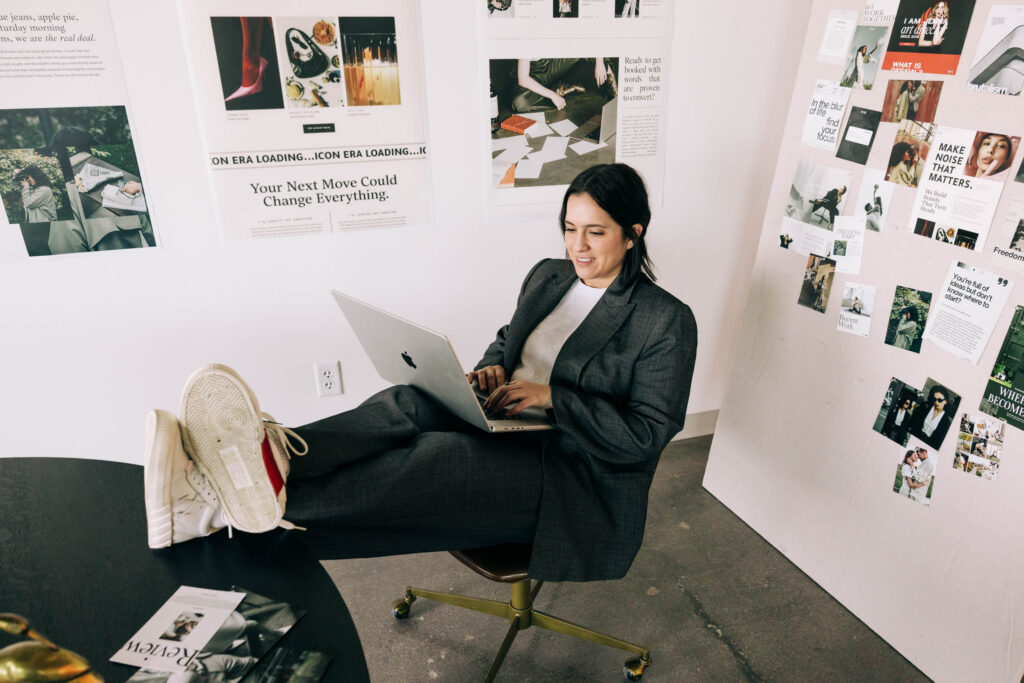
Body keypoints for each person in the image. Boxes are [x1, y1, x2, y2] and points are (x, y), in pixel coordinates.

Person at [142, 163, 698, 583]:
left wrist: (552, 398)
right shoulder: (550, 276)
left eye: (595, 233)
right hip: (509, 415)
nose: (577, 246)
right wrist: (489, 371)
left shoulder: (664, 320)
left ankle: (233, 502)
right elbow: (509, 340)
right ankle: (278, 454)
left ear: (633, 233)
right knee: (406, 403)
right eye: (569, 228)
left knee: (438, 458)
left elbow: (646, 436)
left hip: (571, 468)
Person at [512, 58, 610, 112]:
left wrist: (599, 63)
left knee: (578, 49)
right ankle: (557, 91)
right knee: (520, 103)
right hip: (533, 72)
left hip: (551, 63)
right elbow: (523, 79)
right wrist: (552, 95)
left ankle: (557, 89)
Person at [910, 384, 954, 449]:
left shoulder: (946, 421)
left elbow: (939, 441)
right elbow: (914, 421)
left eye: (940, 400)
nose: (936, 402)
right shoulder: (925, 407)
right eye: (935, 399)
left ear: (945, 401)